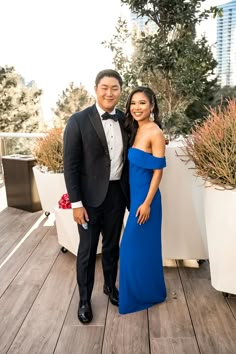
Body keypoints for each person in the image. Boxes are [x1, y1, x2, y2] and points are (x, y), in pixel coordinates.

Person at [63, 69, 130, 324]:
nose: (109, 92)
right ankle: (84, 300)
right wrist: (76, 204)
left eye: (114, 88)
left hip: (117, 196)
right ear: (96, 89)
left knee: (112, 247)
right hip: (89, 200)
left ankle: (110, 288)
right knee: (88, 251)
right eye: (105, 87)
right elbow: (70, 166)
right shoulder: (78, 120)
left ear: (120, 91)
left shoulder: (125, 119)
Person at [119, 86, 167, 315]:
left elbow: (158, 172)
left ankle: (141, 295)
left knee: (129, 248)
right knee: (142, 250)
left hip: (147, 202)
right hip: (136, 197)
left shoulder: (155, 132)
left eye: (142, 103)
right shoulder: (135, 129)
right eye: (133, 103)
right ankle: (150, 292)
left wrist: (147, 203)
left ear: (152, 106)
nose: (137, 107)